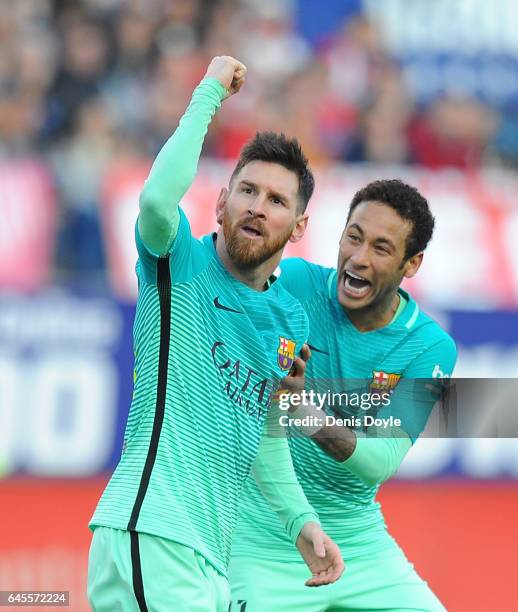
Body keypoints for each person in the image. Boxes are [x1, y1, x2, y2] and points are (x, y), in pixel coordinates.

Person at [87, 56, 344, 612]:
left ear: (299, 226)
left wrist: (301, 521)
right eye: (247, 191)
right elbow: (157, 201)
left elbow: (266, 433)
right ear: (222, 202)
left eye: (277, 201)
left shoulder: (290, 321)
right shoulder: (178, 262)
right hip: (152, 529)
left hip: (207, 556)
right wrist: (209, 93)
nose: (257, 207)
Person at [230, 179, 457, 611]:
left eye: (381, 248)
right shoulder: (294, 283)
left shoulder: (429, 346)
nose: (358, 258)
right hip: (262, 535)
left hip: (359, 543)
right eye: (353, 237)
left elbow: (380, 462)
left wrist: (301, 409)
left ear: (412, 264)